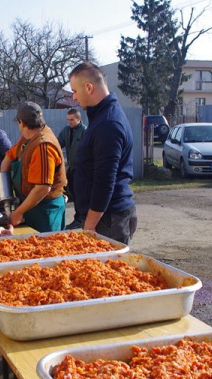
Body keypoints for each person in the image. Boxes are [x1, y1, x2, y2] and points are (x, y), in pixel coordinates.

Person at [69, 61, 137, 245]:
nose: (74, 97)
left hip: (108, 219)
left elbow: (105, 181)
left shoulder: (108, 123)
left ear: (88, 87)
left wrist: (89, 227)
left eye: (74, 91)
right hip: (104, 216)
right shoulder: (101, 116)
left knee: (105, 272)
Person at [0, 101, 67, 232]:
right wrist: (4, 188)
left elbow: (42, 188)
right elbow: (8, 157)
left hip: (45, 211)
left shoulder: (43, 146)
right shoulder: (27, 138)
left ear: (21, 122)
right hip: (30, 206)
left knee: (48, 249)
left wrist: (18, 213)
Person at [57, 108, 87, 229]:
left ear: (79, 119)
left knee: (81, 194)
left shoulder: (85, 131)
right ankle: (80, 217)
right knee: (73, 193)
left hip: (82, 169)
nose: (69, 122)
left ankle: (81, 219)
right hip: (72, 168)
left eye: (72, 120)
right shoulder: (66, 131)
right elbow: (58, 143)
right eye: (68, 120)